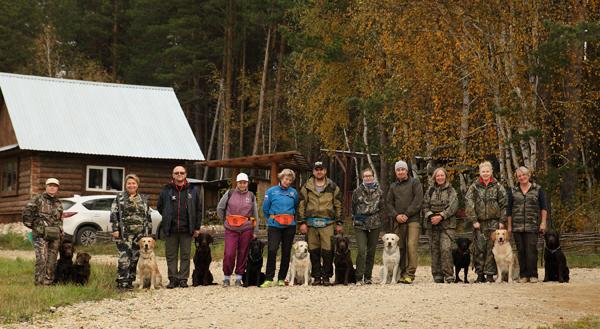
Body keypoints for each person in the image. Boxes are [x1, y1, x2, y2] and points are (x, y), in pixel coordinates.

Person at [298, 161, 343, 286]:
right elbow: (302, 204)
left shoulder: (333, 186)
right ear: (313, 171)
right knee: (313, 251)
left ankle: (327, 276)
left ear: (325, 171)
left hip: (328, 223)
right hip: (311, 224)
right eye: (316, 169)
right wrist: (302, 222)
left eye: (321, 169)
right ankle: (316, 276)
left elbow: (338, 204)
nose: (319, 171)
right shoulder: (306, 186)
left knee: (328, 251)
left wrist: (339, 222)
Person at [157, 166, 202, 289]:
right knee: (171, 256)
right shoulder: (166, 190)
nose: (179, 174)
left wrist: (197, 227)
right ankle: (173, 279)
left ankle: (183, 279)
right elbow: (160, 206)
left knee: (185, 255)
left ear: (186, 174)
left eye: (182, 172)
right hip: (170, 229)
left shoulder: (193, 190)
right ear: (173, 175)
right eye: (176, 173)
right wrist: (167, 217)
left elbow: (198, 210)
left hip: (187, 229)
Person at [465, 161, 507, 283]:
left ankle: (489, 274)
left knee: (492, 248)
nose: (485, 173)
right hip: (479, 223)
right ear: (480, 172)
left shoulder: (498, 186)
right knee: (479, 248)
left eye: (487, 171)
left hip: (494, 222)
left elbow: (504, 204)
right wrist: (473, 220)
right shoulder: (474, 187)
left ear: (491, 172)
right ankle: (480, 274)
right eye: (483, 171)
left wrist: (502, 220)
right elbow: (469, 204)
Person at [110, 174, 152, 290]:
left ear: (137, 185)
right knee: (124, 258)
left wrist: (148, 233)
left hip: (139, 235)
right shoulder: (119, 198)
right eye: (129, 183)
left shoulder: (143, 198)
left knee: (135, 258)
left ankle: (130, 281)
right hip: (124, 233)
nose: (131, 185)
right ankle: (121, 282)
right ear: (125, 185)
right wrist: (115, 229)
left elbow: (147, 216)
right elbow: (114, 214)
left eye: (134, 183)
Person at [217, 172, 259, 287]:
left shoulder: (251, 196)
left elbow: (255, 213)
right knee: (229, 253)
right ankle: (226, 277)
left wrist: (255, 230)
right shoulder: (230, 193)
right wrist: (225, 221)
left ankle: (239, 277)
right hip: (231, 228)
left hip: (246, 228)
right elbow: (220, 208)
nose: (242, 185)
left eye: (244, 182)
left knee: (243, 252)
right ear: (237, 183)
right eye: (240, 182)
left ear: (247, 183)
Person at [507, 166, 547, 283]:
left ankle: (533, 274)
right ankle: (523, 275)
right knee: (521, 250)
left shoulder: (538, 189)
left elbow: (544, 208)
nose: (522, 177)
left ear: (528, 175)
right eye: (519, 176)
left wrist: (543, 222)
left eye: (524, 175)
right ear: (517, 178)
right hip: (517, 226)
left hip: (532, 225)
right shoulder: (513, 191)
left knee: (532, 251)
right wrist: (509, 226)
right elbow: (509, 210)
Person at [386, 160, 423, 284]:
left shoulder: (415, 182)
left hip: (412, 220)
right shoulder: (393, 186)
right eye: (398, 170)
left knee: (411, 246)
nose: (400, 172)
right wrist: (396, 215)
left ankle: (409, 274)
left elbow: (418, 201)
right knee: (399, 247)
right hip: (398, 221)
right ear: (395, 172)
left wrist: (406, 214)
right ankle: (400, 273)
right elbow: (389, 203)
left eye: (403, 169)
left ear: (407, 170)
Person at [260, 169, 299, 287]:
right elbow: (265, 209)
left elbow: (296, 207)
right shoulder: (271, 191)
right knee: (272, 250)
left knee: (286, 252)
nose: (287, 181)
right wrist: (271, 219)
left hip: (289, 226)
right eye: (286, 179)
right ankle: (269, 278)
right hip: (274, 226)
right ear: (281, 178)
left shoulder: (294, 193)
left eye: (290, 180)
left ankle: (281, 278)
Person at [22, 178, 64, 285]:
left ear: (57, 188)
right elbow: (26, 214)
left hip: (54, 236)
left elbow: (59, 219)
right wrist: (35, 227)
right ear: (46, 187)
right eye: (50, 185)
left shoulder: (59, 202)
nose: (52, 187)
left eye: (54, 186)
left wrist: (60, 230)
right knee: (42, 259)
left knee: (52, 260)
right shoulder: (37, 199)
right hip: (40, 236)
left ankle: (48, 283)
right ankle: (39, 284)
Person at [423, 167, 459, 283]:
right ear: (434, 177)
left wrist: (441, 216)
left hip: (447, 225)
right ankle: (437, 274)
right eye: (437, 176)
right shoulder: (430, 190)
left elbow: (453, 206)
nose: (440, 177)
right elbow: (425, 205)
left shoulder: (451, 190)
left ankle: (448, 275)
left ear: (445, 176)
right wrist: (430, 216)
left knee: (446, 249)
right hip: (433, 225)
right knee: (435, 249)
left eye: (442, 175)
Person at [351, 168, 384, 285]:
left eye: (370, 176)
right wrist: (356, 219)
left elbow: (382, 208)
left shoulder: (379, 191)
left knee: (371, 251)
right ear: (362, 178)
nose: (368, 178)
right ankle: (359, 277)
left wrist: (378, 220)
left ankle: (368, 276)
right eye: (365, 176)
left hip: (375, 224)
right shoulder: (357, 191)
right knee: (361, 250)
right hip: (360, 224)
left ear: (373, 177)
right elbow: (353, 207)